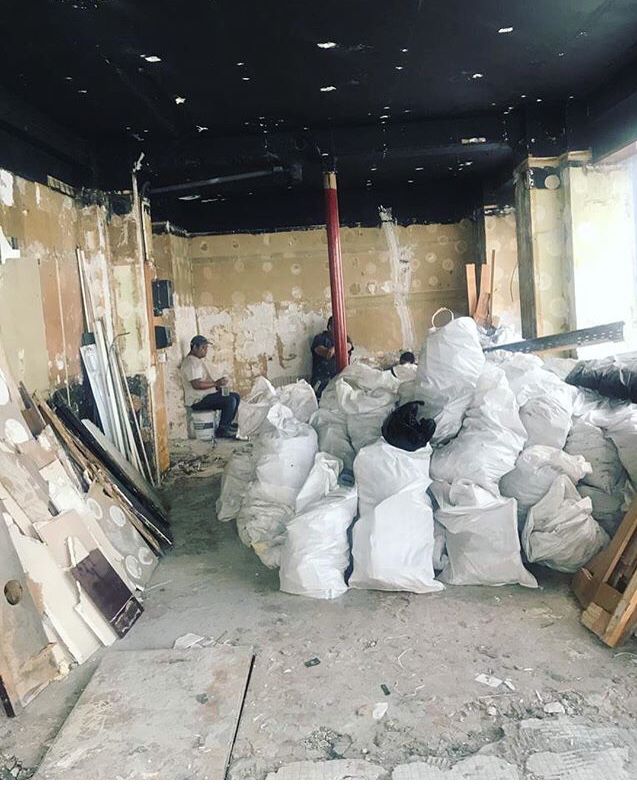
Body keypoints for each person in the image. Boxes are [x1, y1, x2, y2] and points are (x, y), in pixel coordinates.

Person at [181, 335, 240, 438]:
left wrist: (217, 386)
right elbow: (196, 384)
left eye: (206, 348)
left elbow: (203, 381)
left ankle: (227, 425)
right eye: (203, 348)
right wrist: (216, 383)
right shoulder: (191, 362)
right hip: (198, 400)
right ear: (194, 347)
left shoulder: (196, 360)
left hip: (205, 396)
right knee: (230, 400)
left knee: (235, 396)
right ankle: (222, 431)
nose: (206, 350)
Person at [310, 316, 354, 398]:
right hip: (322, 380)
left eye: (341, 326)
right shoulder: (320, 338)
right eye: (337, 326)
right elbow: (326, 353)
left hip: (341, 379)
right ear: (330, 327)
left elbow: (349, 346)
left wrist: (335, 349)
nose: (340, 329)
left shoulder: (345, 338)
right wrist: (334, 350)